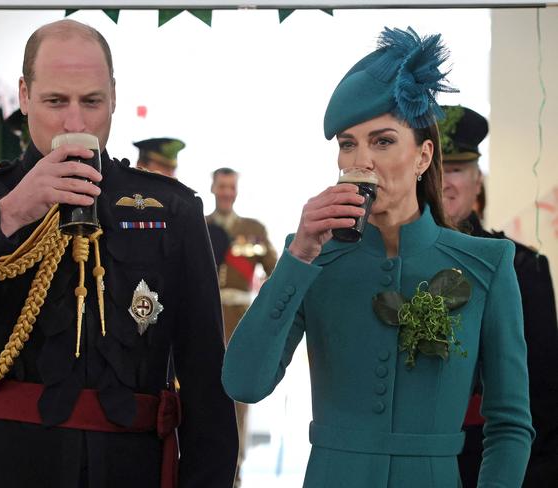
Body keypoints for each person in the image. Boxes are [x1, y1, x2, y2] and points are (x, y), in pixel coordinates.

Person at [0, 19, 237, 488]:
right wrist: (8, 215)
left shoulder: (171, 209)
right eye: (56, 101)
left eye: (92, 102)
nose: (76, 124)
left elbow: (206, 386)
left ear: (114, 98)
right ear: (24, 96)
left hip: (131, 469)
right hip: (3, 468)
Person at [222, 27, 534, 487]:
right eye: (348, 143)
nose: (361, 160)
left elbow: (510, 426)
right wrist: (299, 253)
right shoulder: (312, 258)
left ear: (424, 156)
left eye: (383, 141)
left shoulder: (487, 264)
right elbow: (244, 383)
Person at [440, 104, 558, 488]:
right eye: (434, 169)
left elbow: (541, 398)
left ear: (477, 181)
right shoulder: (393, 265)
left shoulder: (523, 268)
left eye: (456, 169)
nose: (444, 182)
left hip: (491, 461)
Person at [206, 167, 277, 486]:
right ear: (213, 188)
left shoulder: (253, 230)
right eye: (222, 186)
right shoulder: (198, 226)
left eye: (231, 187)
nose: (226, 192)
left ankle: (234, 471)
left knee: (236, 398)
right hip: (204, 319)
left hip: (238, 325)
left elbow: (276, 274)